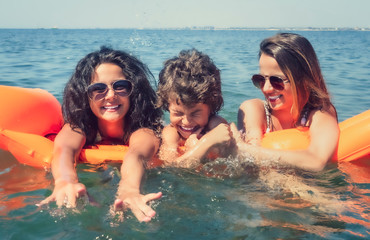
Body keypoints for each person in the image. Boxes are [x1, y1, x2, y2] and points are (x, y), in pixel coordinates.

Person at [39, 47, 163, 222]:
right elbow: (65, 148)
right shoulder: (81, 125)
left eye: (120, 86)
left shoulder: (143, 128)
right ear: (86, 95)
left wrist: (129, 190)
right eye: (98, 89)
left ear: (133, 92)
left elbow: (138, 155)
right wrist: (65, 181)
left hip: (141, 178)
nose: (111, 95)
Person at [235, 33, 339, 172]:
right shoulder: (253, 109)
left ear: (303, 79)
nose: (266, 88)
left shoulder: (320, 114)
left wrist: (242, 148)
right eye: (260, 79)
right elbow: (251, 153)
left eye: (276, 81)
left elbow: (316, 161)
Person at [156, 49, 234, 168]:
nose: (186, 121)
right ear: (168, 105)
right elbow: (169, 167)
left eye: (195, 113)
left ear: (211, 108)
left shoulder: (216, 124)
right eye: (178, 113)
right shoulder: (171, 133)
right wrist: (203, 145)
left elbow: (233, 157)